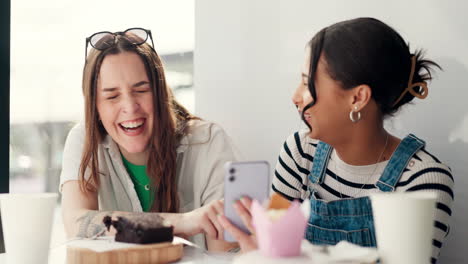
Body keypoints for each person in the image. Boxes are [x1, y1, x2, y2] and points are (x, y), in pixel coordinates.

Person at [219, 18, 454, 263]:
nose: (295, 97)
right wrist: (261, 252)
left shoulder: (423, 179)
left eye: (307, 82)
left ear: (358, 97)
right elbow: (275, 245)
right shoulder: (299, 153)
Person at [60, 28, 239, 251]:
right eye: (112, 96)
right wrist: (180, 222)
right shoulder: (84, 139)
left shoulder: (209, 143)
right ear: (95, 106)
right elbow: (76, 223)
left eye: (141, 90)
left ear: (160, 92)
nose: (130, 107)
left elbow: (225, 258)